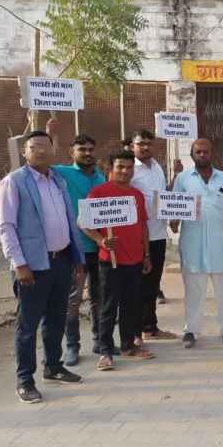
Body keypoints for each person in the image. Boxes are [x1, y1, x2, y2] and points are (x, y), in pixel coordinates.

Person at [0, 130, 85, 404]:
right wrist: (19, 263)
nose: (42, 151)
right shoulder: (14, 182)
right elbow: (6, 226)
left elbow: (68, 219)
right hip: (33, 266)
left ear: (53, 149)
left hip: (61, 260)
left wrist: (77, 258)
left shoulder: (57, 179)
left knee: (56, 318)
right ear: (24, 152)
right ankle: (25, 380)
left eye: (46, 145)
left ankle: (53, 366)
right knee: (28, 324)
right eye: (34, 147)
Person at [83, 150, 155, 371]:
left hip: (135, 260)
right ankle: (105, 351)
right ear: (110, 169)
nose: (125, 171)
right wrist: (101, 241)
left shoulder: (137, 195)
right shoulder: (99, 193)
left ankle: (127, 345)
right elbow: (83, 223)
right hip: (110, 261)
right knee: (108, 307)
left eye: (129, 167)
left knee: (130, 306)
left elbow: (143, 226)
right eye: (120, 167)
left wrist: (146, 255)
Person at [170, 138, 223, 349]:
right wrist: (173, 221)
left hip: (219, 243)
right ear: (192, 154)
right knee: (193, 291)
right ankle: (191, 330)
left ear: (212, 153)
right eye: (198, 152)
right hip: (192, 244)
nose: (202, 155)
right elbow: (174, 206)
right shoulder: (182, 179)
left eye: (206, 151)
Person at [53, 134, 106, 366]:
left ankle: (99, 340)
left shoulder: (100, 177)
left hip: (100, 246)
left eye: (90, 149)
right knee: (73, 300)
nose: (87, 153)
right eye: (82, 149)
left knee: (99, 296)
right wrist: (52, 135)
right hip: (75, 248)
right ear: (71, 153)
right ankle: (72, 346)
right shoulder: (62, 172)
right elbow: (40, 160)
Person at [129, 129, 182, 342]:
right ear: (132, 146)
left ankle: (150, 327)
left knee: (152, 285)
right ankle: (135, 334)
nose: (145, 147)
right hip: (138, 237)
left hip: (158, 234)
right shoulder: (129, 169)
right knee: (138, 287)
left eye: (149, 143)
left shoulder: (157, 167)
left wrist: (176, 176)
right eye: (141, 143)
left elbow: (164, 196)